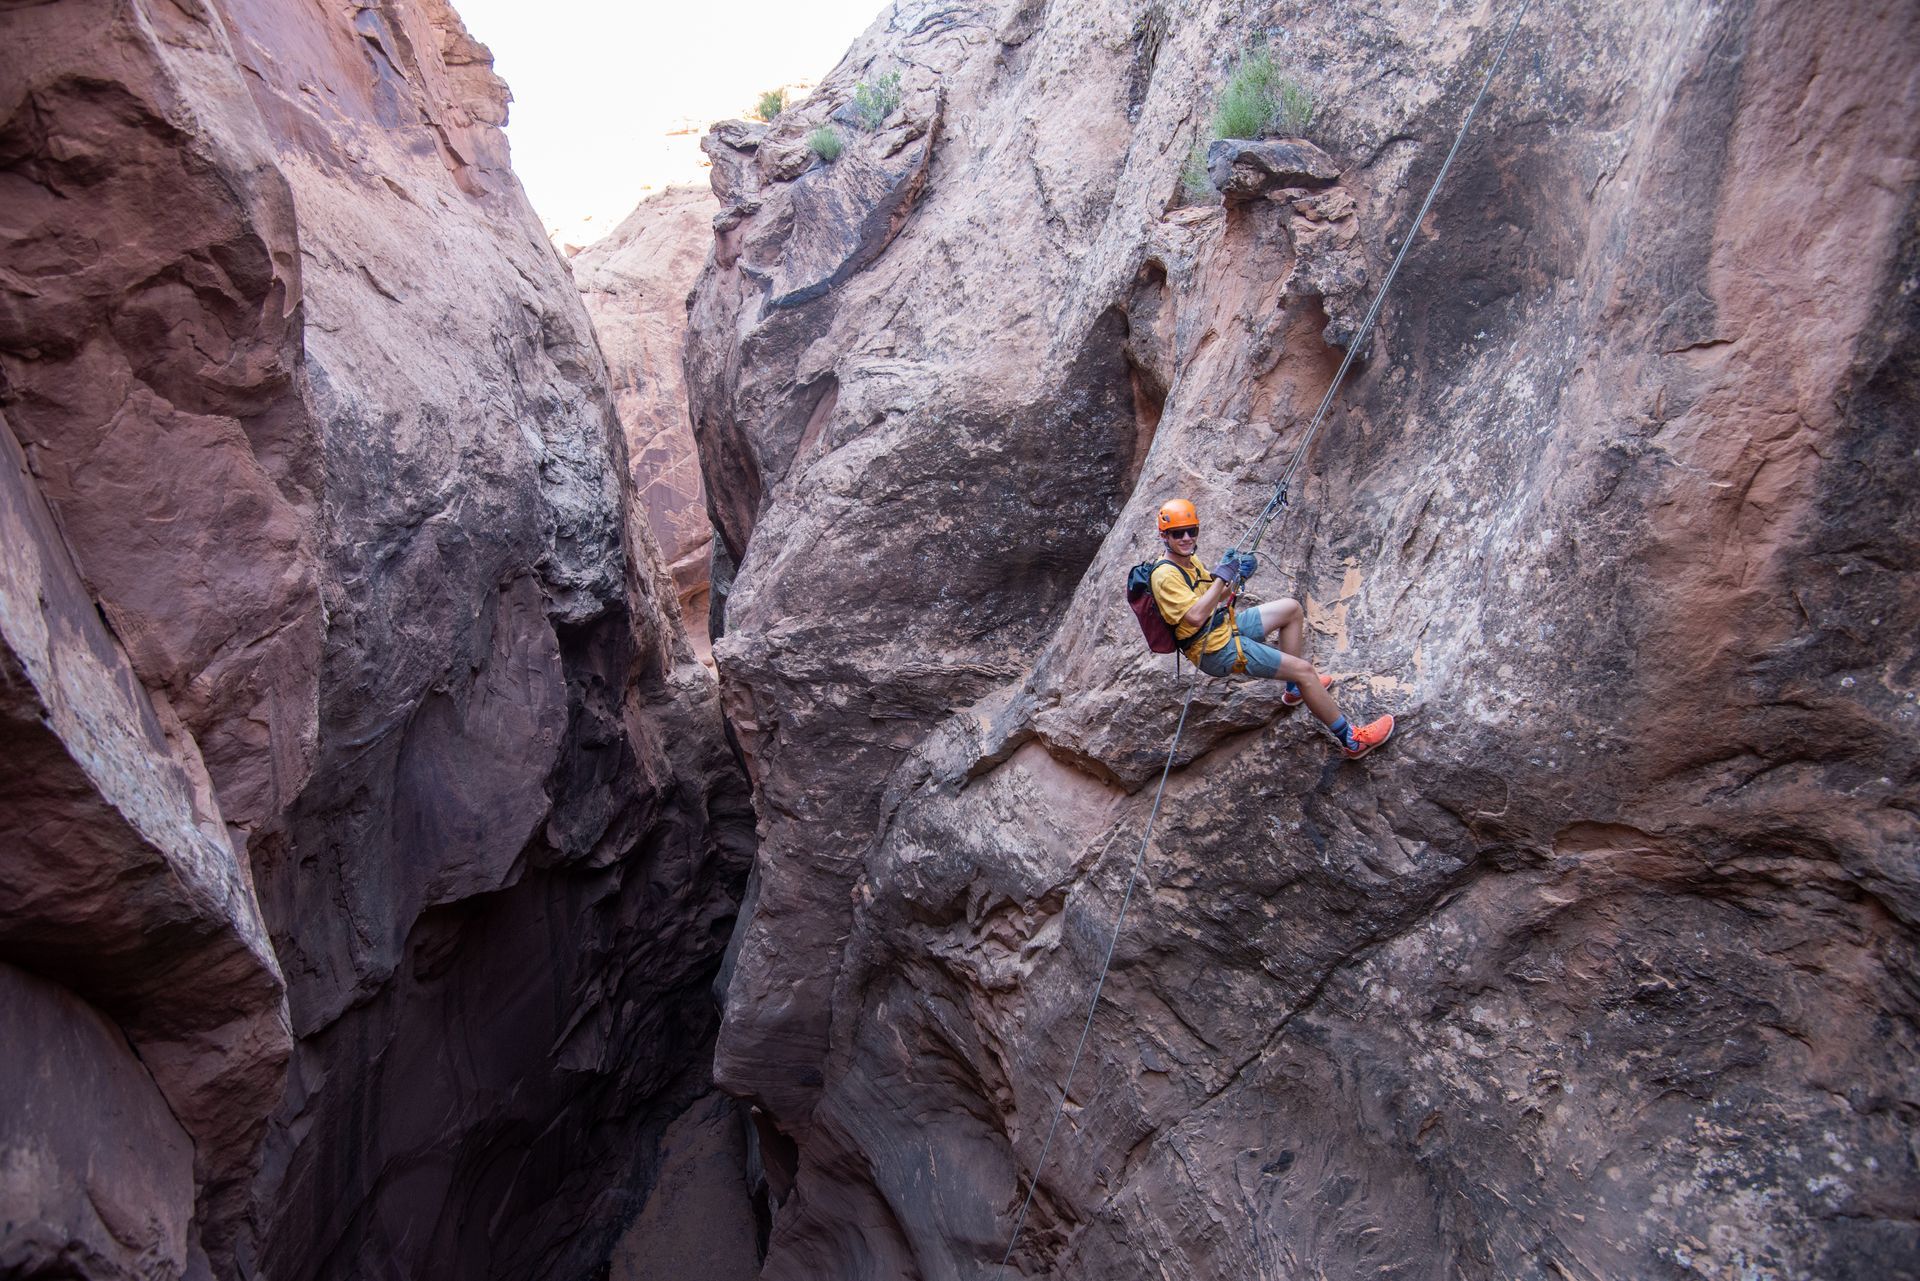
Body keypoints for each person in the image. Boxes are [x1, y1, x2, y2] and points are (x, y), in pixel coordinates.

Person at [1148, 497, 1394, 759]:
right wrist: (1222, 576)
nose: (1186, 538)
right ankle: (1353, 741)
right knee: (1305, 671)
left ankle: (1294, 690)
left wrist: (1235, 576)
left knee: (1291, 609)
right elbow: (1196, 616)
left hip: (1223, 627)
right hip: (1214, 648)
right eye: (1177, 534)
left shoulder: (1189, 559)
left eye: (1191, 531)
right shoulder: (1165, 575)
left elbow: (1217, 597)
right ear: (1164, 536)